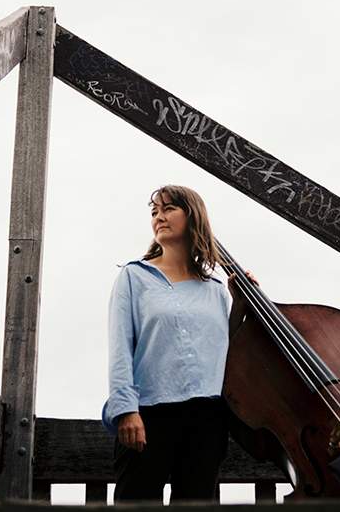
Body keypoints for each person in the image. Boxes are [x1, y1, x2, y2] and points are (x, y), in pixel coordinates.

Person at [101, 185, 257, 504]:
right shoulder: (134, 277)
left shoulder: (215, 289)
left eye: (169, 208)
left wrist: (241, 303)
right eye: (154, 211)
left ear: (192, 215)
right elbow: (120, 347)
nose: (159, 216)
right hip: (148, 414)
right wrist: (126, 411)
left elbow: (218, 350)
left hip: (207, 419)